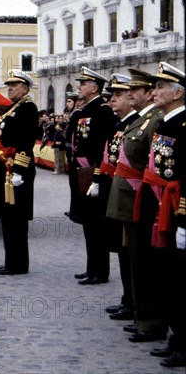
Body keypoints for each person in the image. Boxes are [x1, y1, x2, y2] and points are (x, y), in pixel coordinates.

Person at [106, 68, 167, 342]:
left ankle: (149, 319)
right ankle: (141, 314)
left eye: (135, 90)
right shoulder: (142, 120)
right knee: (135, 261)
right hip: (131, 200)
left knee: (145, 264)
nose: (130, 94)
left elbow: (152, 165)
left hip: (142, 199)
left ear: (149, 93)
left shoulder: (154, 120)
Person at [133, 62, 185, 367]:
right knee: (168, 276)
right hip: (161, 207)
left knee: (180, 278)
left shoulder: (182, 125)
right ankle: (175, 337)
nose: (156, 92)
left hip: (176, 210)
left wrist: (184, 221)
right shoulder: (165, 123)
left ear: (177, 93)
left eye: (162, 88)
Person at [88, 74, 138, 320]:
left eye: (118, 95)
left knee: (129, 252)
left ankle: (133, 301)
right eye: (112, 95)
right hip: (114, 191)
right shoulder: (120, 125)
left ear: (131, 98)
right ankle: (127, 299)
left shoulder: (135, 123)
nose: (112, 99)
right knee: (122, 250)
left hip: (129, 196)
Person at [0, 70, 39, 275]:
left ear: (25, 88)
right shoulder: (13, 108)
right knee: (8, 219)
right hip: (7, 170)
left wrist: (18, 170)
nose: (10, 88)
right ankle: (11, 261)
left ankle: (18, 264)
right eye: (9, 85)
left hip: (15, 173)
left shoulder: (28, 108)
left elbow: (26, 141)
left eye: (14, 85)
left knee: (16, 219)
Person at [69, 67, 118, 285]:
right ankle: (92, 267)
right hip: (83, 172)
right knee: (89, 223)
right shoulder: (87, 109)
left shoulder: (103, 110)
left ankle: (100, 271)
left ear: (95, 87)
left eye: (83, 84)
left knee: (97, 224)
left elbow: (102, 148)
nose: (79, 86)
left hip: (93, 174)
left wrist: (97, 176)